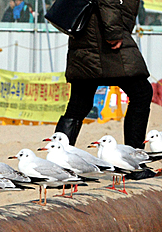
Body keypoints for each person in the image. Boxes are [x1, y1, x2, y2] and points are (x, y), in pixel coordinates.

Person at [55, 0, 154, 179]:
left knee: (78, 105)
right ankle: (134, 165)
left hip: (86, 38)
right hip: (103, 39)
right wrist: (114, 32)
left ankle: (59, 166)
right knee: (141, 93)